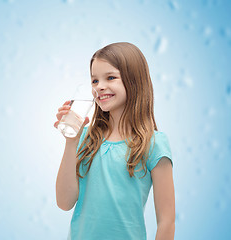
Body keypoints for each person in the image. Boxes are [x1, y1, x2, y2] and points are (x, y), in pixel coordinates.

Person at [54, 42, 175, 240]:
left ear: (134, 81)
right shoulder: (84, 138)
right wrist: (70, 142)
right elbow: (64, 202)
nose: (99, 86)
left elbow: (167, 221)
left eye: (110, 77)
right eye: (94, 81)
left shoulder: (154, 144)